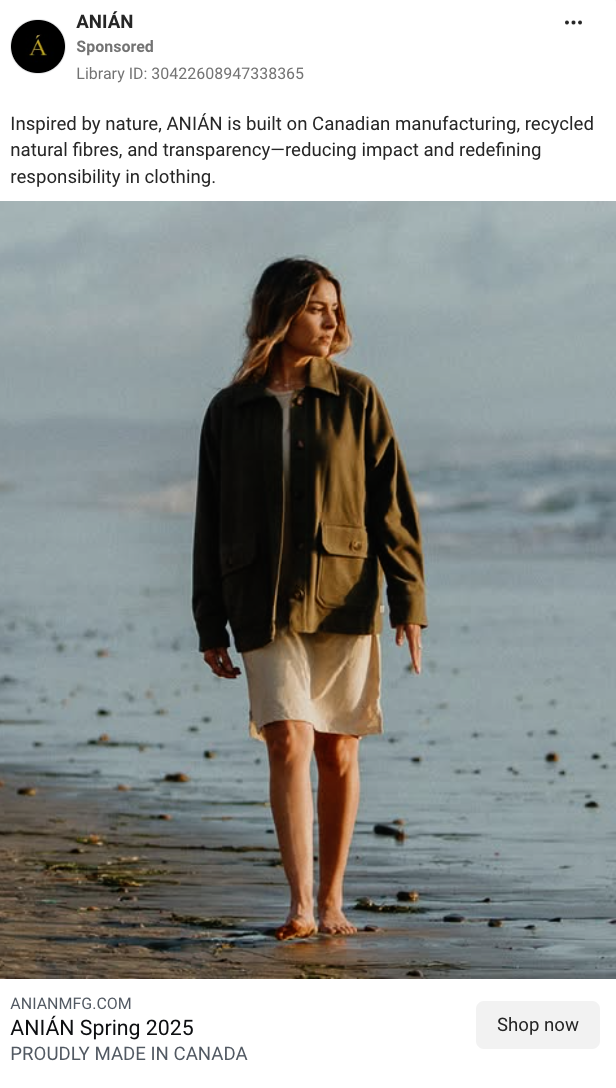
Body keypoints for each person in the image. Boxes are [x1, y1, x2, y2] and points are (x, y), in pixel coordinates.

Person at [192, 257, 427, 940]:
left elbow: (393, 508)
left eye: (335, 307)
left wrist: (409, 601)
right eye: (317, 307)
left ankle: (332, 902)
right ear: (281, 313)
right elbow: (211, 519)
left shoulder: (359, 398)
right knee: (288, 742)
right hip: (259, 598)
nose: (332, 320)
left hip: (344, 595)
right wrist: (209, 619)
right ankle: (299, 907)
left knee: (338, 752)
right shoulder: (228, 411)